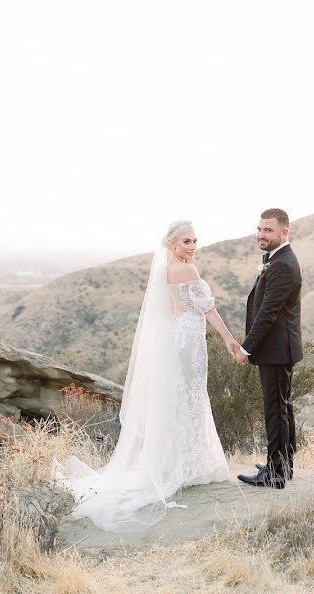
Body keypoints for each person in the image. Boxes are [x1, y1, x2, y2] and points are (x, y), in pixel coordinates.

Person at [53, 220, 237, 532]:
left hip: (177, 337)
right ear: (172, 244)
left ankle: (176, 465)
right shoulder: (188, 271)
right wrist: (230, 339)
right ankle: (191, 466)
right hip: (190, 339)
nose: (193, 247)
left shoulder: (164, 269)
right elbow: (207, 310)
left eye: (195, 241)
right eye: (186, 243)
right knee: (191, 397)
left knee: (181, 399)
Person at [234, 208, 303, 490]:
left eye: (269, 230)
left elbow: (268, 312)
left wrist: (246, 348)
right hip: (279, 347)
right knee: (282, 408)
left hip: (276, 349)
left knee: (275, 410)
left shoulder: (284, 264)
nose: (262, 234)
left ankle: (276, 473)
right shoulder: (276, 259)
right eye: (260, 229)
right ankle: (282, 465)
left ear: (284, 232)